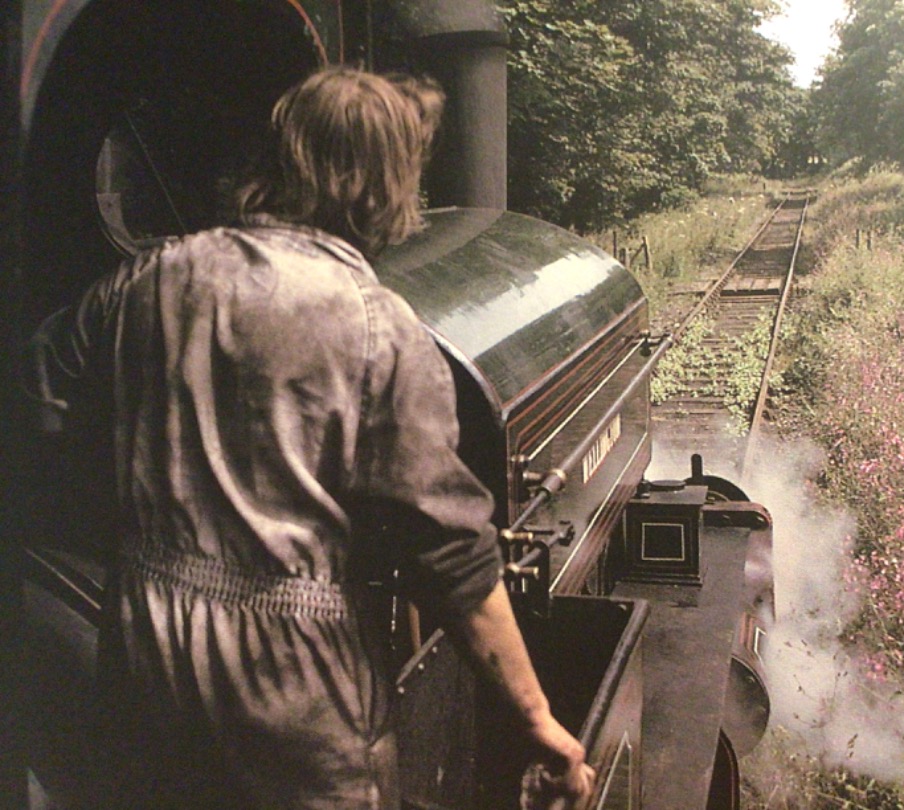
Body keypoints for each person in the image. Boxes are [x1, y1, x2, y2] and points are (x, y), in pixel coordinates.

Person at [25, 66, 594, 809]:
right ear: (383, 185)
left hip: (142, 654)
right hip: (288, 686)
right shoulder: (379, 327)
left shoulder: (145, 279)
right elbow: (450, 552)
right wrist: (537, 719)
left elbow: (39, 401)